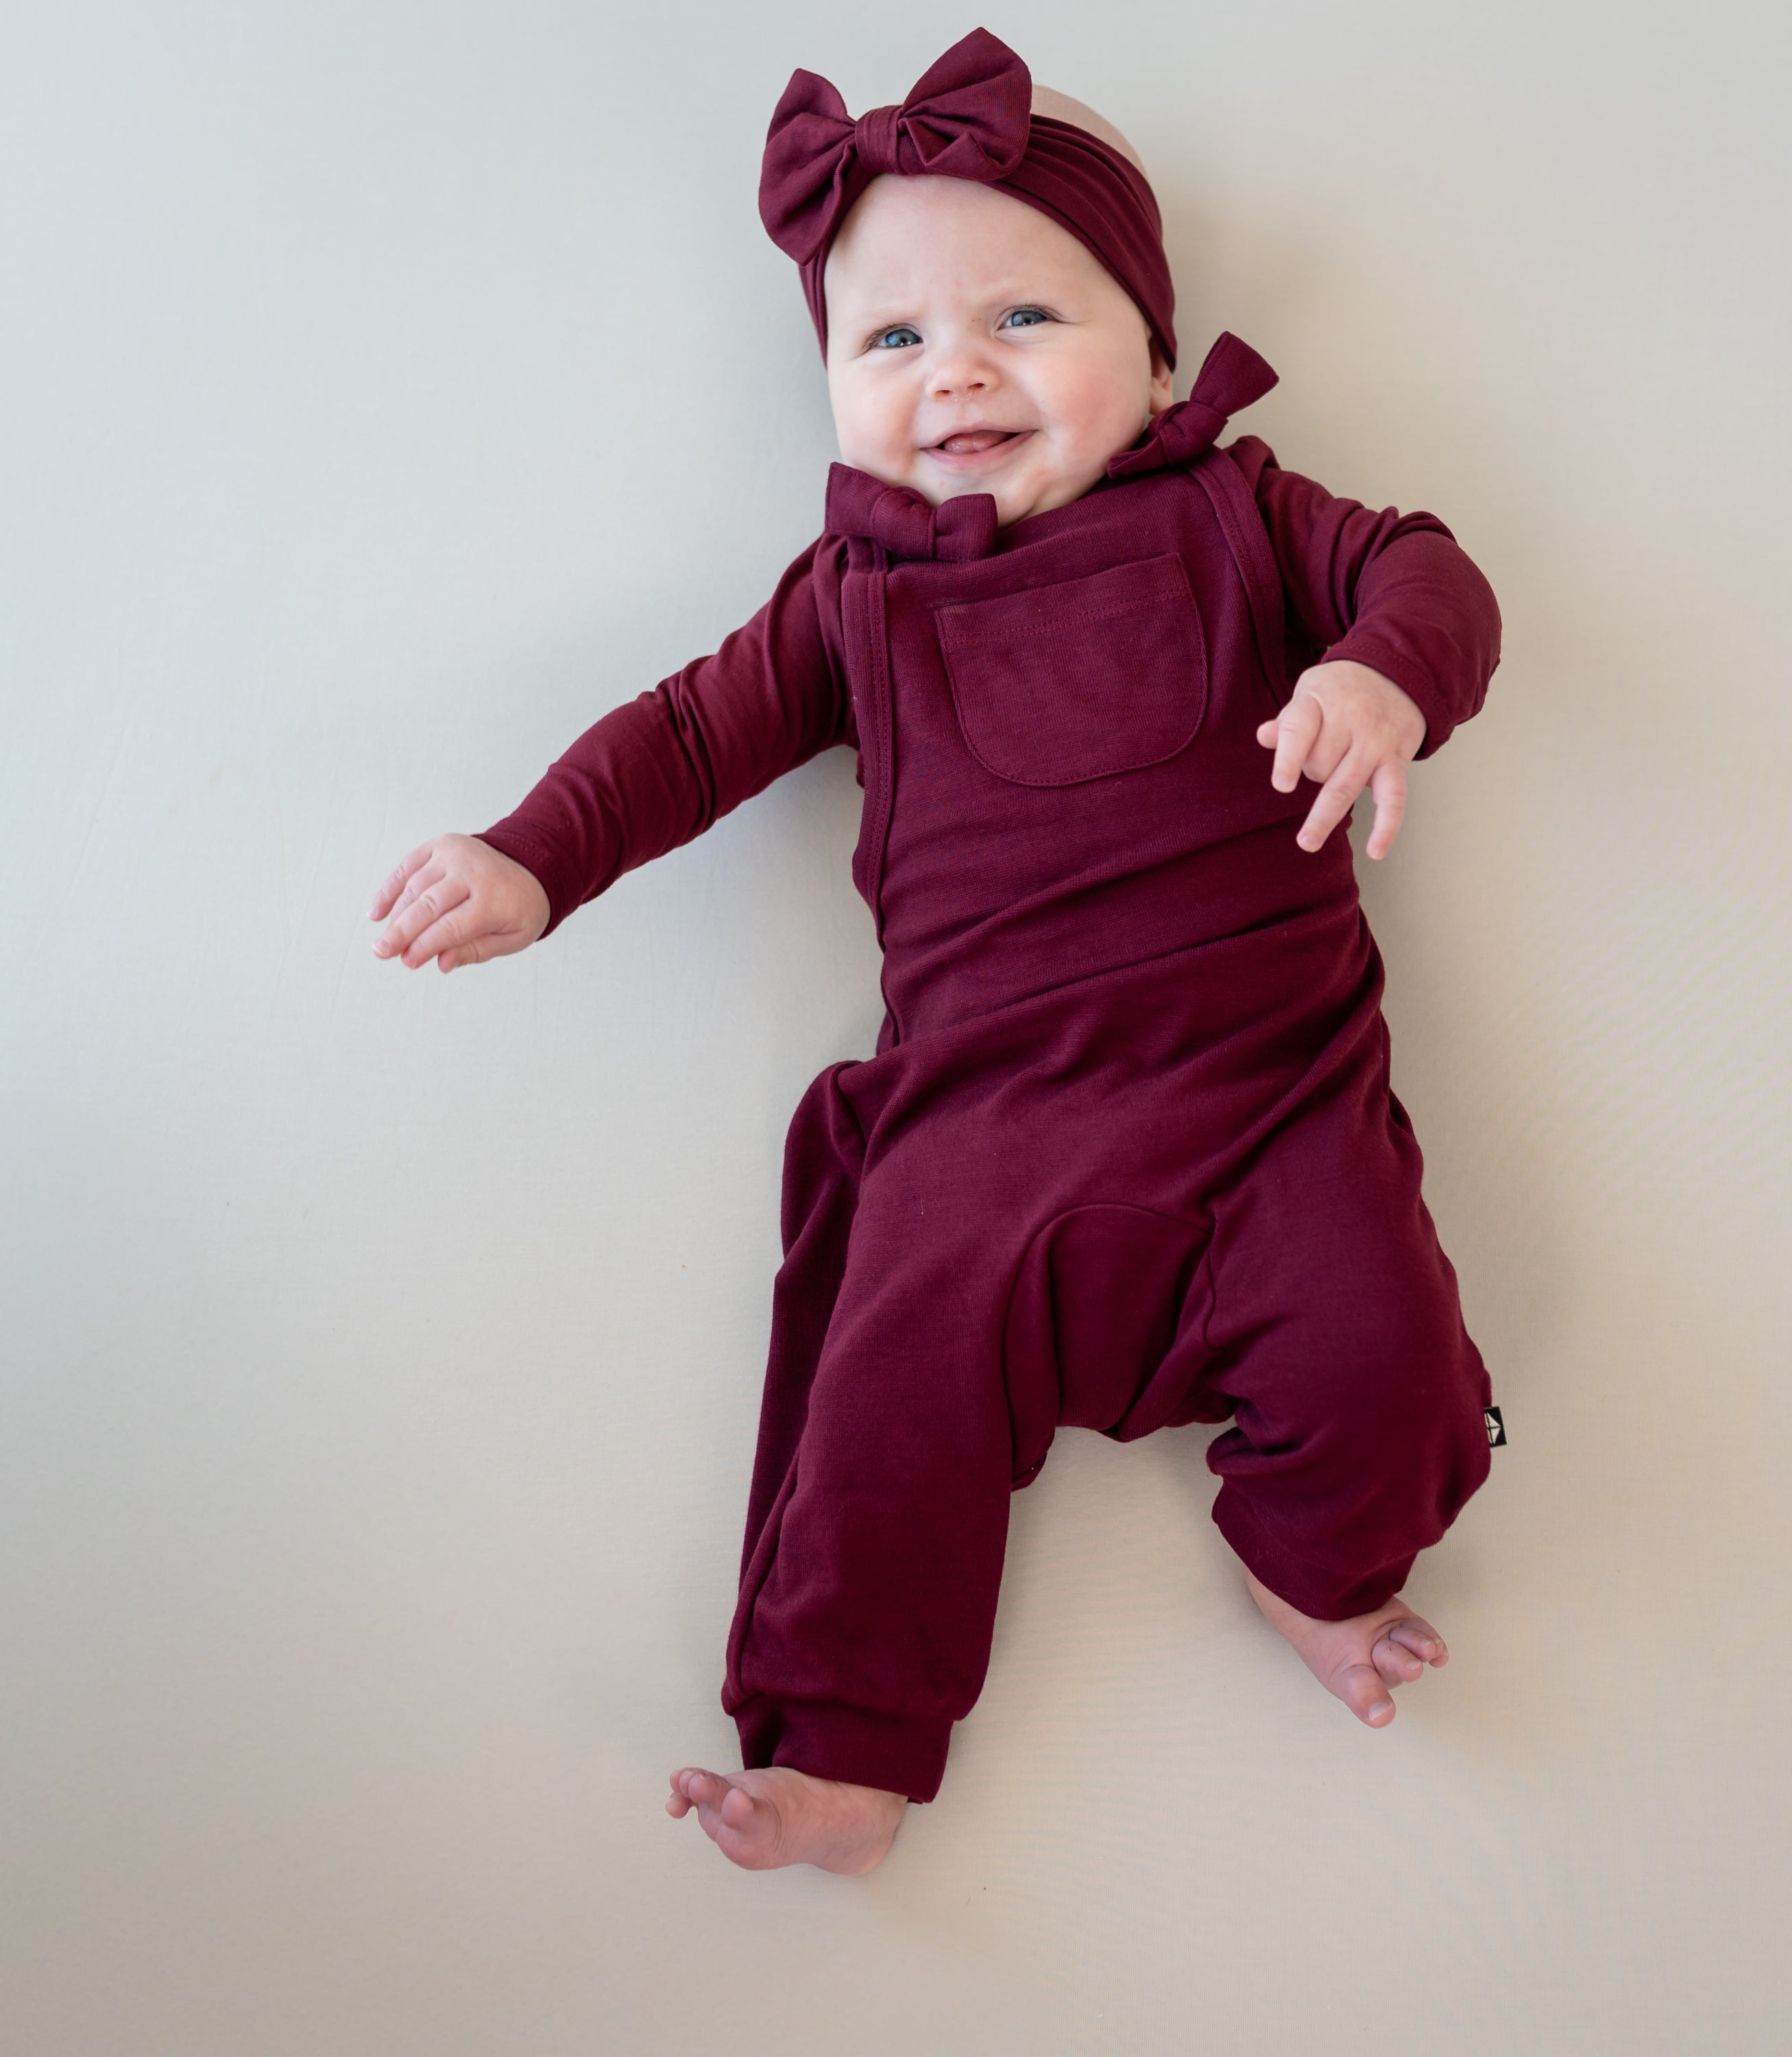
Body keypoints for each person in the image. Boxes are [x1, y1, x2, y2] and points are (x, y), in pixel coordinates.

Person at [370, 28, 1502, 1877]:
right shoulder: (857, 603)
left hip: (1275, 1102)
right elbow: (684, 736)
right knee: (877, 1413)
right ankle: (845, 1759)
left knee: (1393, 1364)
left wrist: (1383, 673)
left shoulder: (1240, 514)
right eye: (887, 339)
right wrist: (531, 856)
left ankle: (1319, 1569)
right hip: (983, 1126)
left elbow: (1427, 565)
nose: (955, 371)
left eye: (1024, 319)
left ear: (1155, 354)